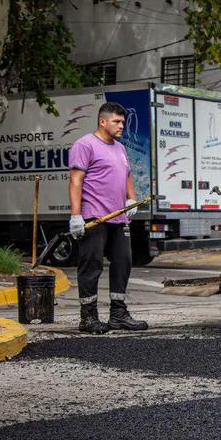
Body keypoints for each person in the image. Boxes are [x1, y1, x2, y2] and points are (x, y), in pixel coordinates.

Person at [68, 102, 149, 334]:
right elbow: (75, 181)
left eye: (122, 121)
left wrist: (131, 199)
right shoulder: (85, 145)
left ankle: (118, 314)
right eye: (117, 121)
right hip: (95, 217)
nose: (121, 125)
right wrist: (76, 216)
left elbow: (127, 175)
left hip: (118, 217)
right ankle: (88, 317)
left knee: (124, 261)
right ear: (103, 122)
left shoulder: (120, 148)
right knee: (91, 266)